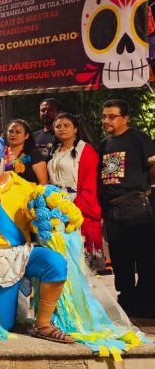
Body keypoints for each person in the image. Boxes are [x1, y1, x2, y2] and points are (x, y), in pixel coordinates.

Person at [0, 136, 73, 342]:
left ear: (5, 157)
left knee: (56, 263)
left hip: (24, 252)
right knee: (3, 325)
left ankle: (43, 324)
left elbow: (36, 225)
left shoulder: (27, 187)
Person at [97, 99, 155, 318]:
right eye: (104, 116)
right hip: (112, 209)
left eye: (112, 116)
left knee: (144, 257)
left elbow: (153, 164)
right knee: (121, 259)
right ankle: (127, 301)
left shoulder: (138, 138)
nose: (106, 120)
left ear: (125, 118)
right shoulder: (104, 144)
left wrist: (143, 185)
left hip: (135, 205)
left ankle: (148, 302)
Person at [47, 113, 103, 269]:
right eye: (58, 126)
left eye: (66, 125)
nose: (62, 129)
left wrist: (73, 207)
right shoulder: (55, 151)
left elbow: (89, 182)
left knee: (81, 263)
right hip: (56, 208)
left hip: (78, 205)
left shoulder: (85, 150)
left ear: (76, 129)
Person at [5, 119, 48, 185]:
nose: (13, 134)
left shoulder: (34, 155)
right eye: (10, 131)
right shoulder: (0, 153)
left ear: (26, 136)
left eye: (18, 132)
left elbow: (43, 182)